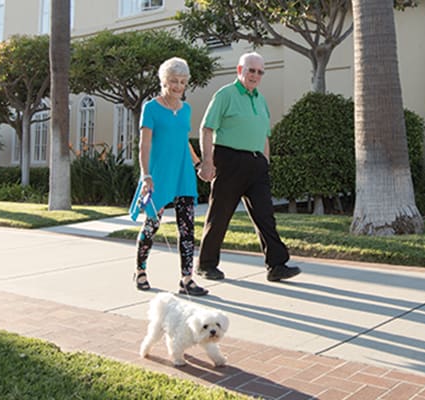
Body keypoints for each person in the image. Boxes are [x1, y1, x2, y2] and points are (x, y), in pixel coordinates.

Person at [196, 52, 301, 282]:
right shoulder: (225, 95)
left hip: (256, 165)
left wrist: (265, 161)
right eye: (251, 70)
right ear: (239, 70)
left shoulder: (260, 100)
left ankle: (276, 265)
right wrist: (207, 162)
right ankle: (206, 264)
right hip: (229, 160)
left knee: (265, 216)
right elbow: (206, 128)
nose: (255, 75)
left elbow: (265, 135)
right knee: (220, 214)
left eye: (259, 72)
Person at [128, 57, 208, 296]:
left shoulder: (186, 110)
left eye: (182, 82)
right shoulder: (151, 108)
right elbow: (145, 145)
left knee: (187, 228)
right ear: (164, 81)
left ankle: (187, 279)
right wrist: (146, 175)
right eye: (173, 81)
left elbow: (184, 141)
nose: (178, 86)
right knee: (152, 225)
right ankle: (140, 271)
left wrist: (199, 165)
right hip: (159, 174)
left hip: (183, 174)